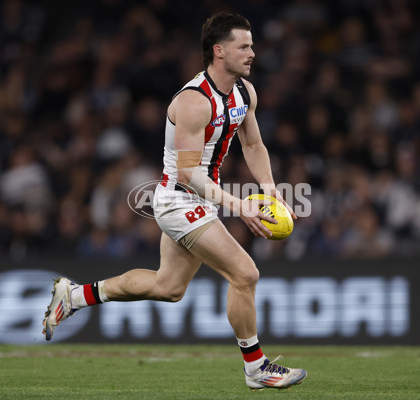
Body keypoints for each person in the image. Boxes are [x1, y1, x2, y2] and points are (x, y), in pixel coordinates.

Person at [42, 12, 307, 390]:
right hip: (178, 200)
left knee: (168, 287)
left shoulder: (245, 92)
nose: (252, 52)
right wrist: (240, 204)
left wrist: (268, 187)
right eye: (243, 46)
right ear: (219, 51)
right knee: (245, 273)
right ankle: (257, 368)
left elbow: (252, 144)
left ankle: (75, 295)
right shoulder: (193, 102)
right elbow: (187, 173)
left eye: (252, 45)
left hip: (201, 199)